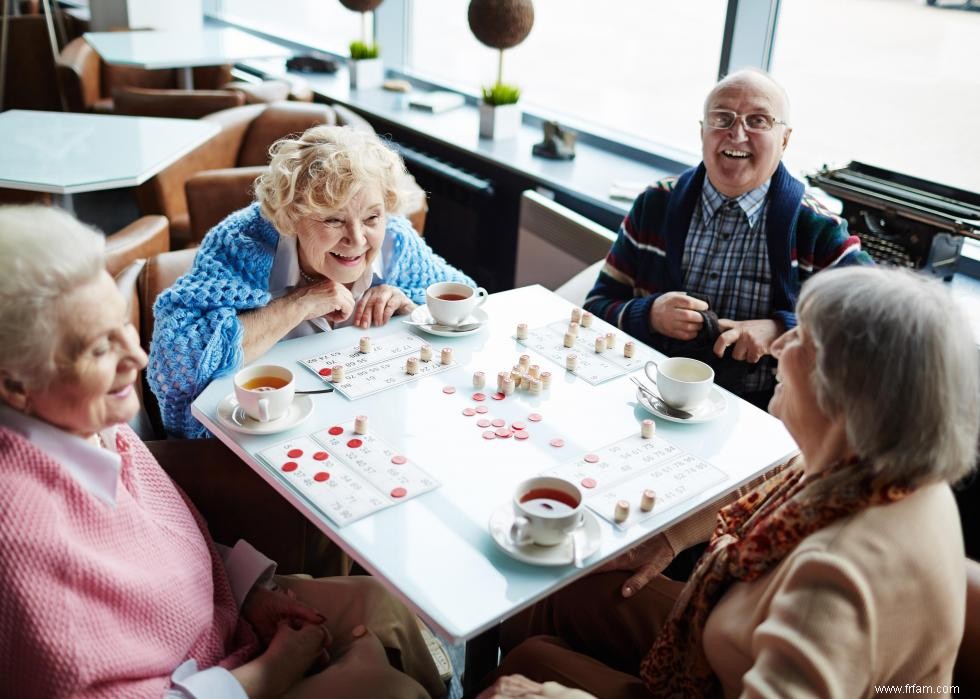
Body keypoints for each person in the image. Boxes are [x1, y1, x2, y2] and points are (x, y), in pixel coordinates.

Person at [0, 205, 446, 698]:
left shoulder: (84, 420)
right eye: (99, 349)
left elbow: (161, 544)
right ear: (14, 384)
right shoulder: (19, 533)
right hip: (214, 682)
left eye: (123, 328)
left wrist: (251, 593)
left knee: (380, 604)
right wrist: (271, 671)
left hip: (223, 628)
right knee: (390, 690)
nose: (139, 358)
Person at [489, 265, 977, 697]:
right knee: (571, 589)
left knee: (527, 665)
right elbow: (766, 479)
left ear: (850, 394)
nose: (780, 344)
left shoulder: (835, 578)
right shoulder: (878, 466)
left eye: (804, 338)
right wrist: (667, 538)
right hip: (730, 642)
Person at [149, 125, 475, 438]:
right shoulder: (239, 244)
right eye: (333, 220)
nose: (358, 239)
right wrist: (298, 304)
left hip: (367, 422)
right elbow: (174, 361)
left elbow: (466, 308)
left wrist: (412, 309)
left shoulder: (395, 241)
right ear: (292, 217)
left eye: (372, 217)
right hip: (258, 438)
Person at [584, 68, 873, 409]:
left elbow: (872, 329)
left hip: (760, 414)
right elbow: (594, 308)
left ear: (785, 139)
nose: (736, 133)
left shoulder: (817, 229)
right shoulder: (655, 203)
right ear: (702, 131)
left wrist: (783, 331)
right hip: (649, 397)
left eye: (758, 120)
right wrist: (649, 315)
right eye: (722, 119)